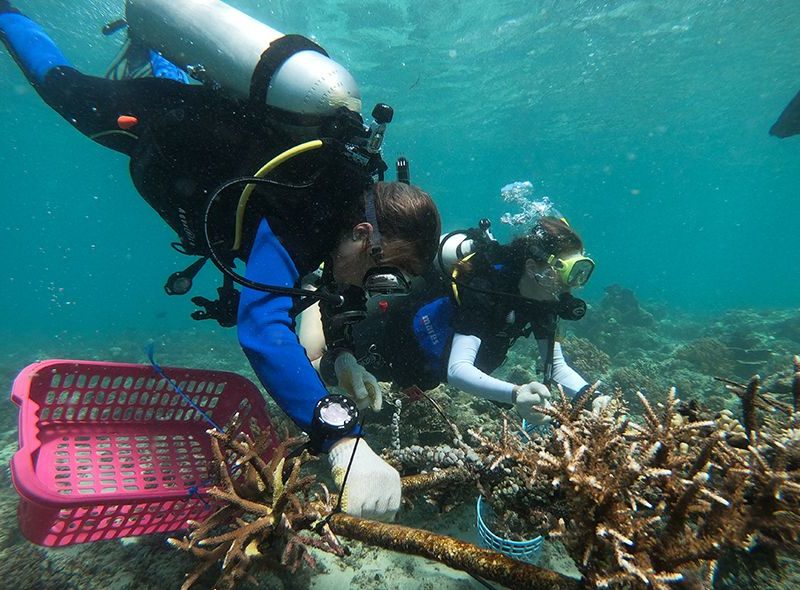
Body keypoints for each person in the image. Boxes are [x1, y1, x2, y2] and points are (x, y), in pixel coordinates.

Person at [0, 1, 442, 520]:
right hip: (156, 126)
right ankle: (10, 15)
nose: (374, 288)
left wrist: (342, 355)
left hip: (205, 124)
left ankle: (156, 52)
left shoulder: (344, 205)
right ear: (365, 231)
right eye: (384, 271)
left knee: (182, 90)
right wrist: (341, 439)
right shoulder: (300, 212)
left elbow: (329, 289)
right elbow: (263, 329)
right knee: (62, 89)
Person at [301, 215, 609, 425]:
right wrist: (515, 395)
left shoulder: (542, 302)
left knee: (359, 379)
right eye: (569, 272)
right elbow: (458, 370)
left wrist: (590, 398)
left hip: (421, 363)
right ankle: (312, 287)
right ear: (534, 267)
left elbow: (555, 366)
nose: (571, 285)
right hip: (391, 334)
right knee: (318, 363)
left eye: (580, 273)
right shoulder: (485, 290)